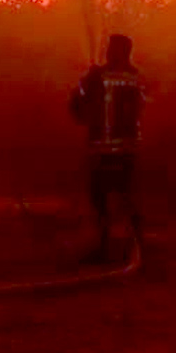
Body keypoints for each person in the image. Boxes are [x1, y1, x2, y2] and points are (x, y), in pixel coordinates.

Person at [69, 34, 147, 262]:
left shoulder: (97, 76)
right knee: (127, 196)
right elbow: (142, 105)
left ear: (115, 51)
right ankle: (138, 244)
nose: (107, 52)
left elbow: (76, 103)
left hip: (102, 149)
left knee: (99, 197)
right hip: (129, 150)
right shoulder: (137, 77)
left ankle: (104, 247)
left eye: (110, 48)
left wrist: (84, 83)